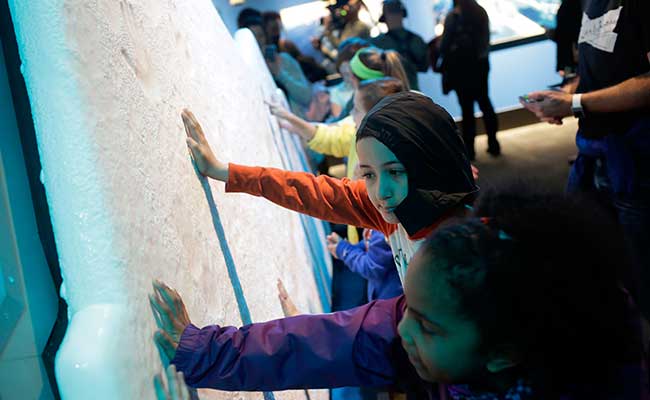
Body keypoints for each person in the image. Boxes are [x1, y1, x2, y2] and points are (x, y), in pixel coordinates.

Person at [150, 188, 649, 398]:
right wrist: (203, 348)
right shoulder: (446, 307)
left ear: (504, 353)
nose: (402, 328)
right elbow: (323, 340)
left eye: (426, 325)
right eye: (407, 306)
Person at [183, 90, 476, 284]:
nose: (380, 193)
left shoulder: (461, 250)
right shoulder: (397, 210)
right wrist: (226, 172)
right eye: (369, 174)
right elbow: (310, 191)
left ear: (428, 165)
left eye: (395, 172)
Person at [520, 0, 650, 318]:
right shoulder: (589, 2)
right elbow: (602, 70)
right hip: (595, 156)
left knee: (643, 274)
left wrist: (575, 102)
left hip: (638, 160)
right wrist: (566, 95)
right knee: (584, 260)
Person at [438, 0, 500, 160]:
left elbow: (444, 45)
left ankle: (470, 150)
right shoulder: (480, 12)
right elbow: (485, 42)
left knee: (466, 109)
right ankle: (493, 143)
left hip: (460, 68)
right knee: (485, 103)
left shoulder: (453, 16)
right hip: (480, 66)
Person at [237, 8, 312, 119]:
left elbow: (307, 97)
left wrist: (280, 74)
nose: (257, 41)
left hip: (297, 127)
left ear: (266, 37)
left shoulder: (284, 60)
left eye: (260, 36)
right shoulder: (243, 70)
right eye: (253, 38)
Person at [327, 227, 402, 301]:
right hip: (381, 292)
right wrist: (350, 248)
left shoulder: (381, 232)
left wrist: (344, 250)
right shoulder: (377, 228)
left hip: (390, 300)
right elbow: (371, 243)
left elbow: (372, 267)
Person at [371, 0, 429, 91]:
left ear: (384, 18)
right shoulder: (417, 40)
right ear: (403, 14)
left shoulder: (376, 43)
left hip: (388, 96)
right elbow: (424, 67)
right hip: (414, 93)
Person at [261, 11, 328, 83]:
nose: (277, 33)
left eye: (278, 28)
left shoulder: (287, 45)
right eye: (273, 29)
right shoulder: (264, 54)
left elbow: (305, 61)